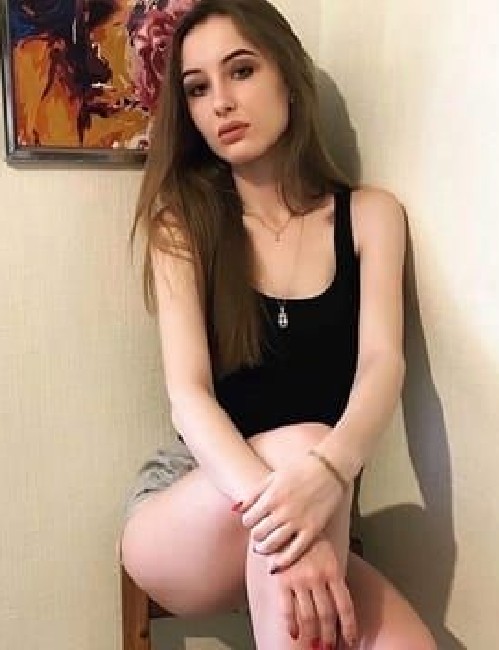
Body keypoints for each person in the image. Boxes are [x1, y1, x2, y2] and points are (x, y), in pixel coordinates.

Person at [120, 1, 437, 648]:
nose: (221, 103)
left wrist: (329, 474)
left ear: (288, 77)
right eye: (198, 88)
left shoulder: (371, 217)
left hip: (318, 504)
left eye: (241, 71)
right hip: (197, 506)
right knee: (300, 446)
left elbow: (383, 365)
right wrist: (288, 508)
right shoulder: (184, 224)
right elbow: (188, 398)